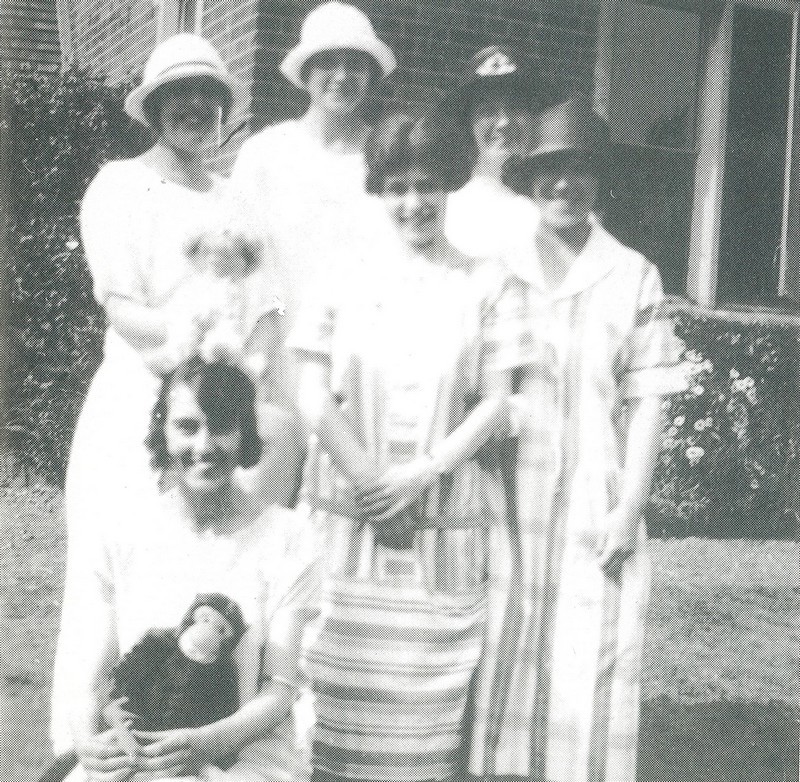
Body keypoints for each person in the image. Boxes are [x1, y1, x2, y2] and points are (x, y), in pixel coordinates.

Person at [53, 33, 285, 755]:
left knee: (206, 579)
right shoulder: (119, 185)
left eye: (208, 95)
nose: (195, 106)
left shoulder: (239, 200)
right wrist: (190, 338)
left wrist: (239, 380)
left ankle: (193, 747)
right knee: (108, 582)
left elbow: (269, 312)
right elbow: (121, 306)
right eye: (178, 95)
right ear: (152, 108)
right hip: (136, 404)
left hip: (217, 415)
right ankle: (84, 750)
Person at [467, 96, 687, 782]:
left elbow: (649, 400)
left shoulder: (632, 275)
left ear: (599, 180)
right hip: (506, 495)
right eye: (551, 170)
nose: (565, 184)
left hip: (597, 496)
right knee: (506, 648)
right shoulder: (496, 268)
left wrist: (629, 508)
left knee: (590, 661)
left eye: (581, 170)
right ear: (531, 180)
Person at [288, 111, 508, 782]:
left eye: (429, 185)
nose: (414, 202)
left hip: (442, 532)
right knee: (324, 720)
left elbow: (497, 400)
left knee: (421, 742)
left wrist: (420, 474)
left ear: (451, 187)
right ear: (379, 192)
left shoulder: (488, 282)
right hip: (345, 525)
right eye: (398, 187)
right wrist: (371, 483)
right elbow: (311, 395)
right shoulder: (339, 275)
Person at [55, 356, 320, 782]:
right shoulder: (120, 531)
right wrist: (89, 744)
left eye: (222, 426)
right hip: (135, 748)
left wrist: (210, 743)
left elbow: (279, 687)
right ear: (162, 430)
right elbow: (93, 673)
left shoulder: (287, 538)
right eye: (187, 426)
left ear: (246, 434)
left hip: (243, 753)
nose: (204, 446)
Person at [229, 0, 397, 328]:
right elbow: (243, 261)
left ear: (370, 75)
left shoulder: (387, 157)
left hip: (362, 340)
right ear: (306, 74)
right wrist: (271, 328)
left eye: (355, 65)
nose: (342, 76)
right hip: (276, 336)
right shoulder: (265, 153)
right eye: (328, 63)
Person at [445, 45, 543, 260]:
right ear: (468, 123)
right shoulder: (450, 207)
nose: (504, 122)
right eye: (488, 111)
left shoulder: (554, 202)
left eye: (516, 107)